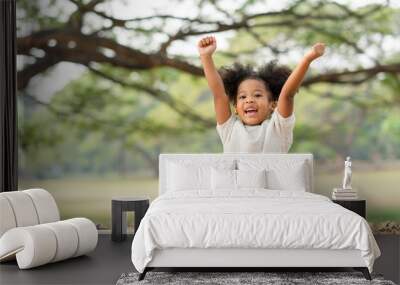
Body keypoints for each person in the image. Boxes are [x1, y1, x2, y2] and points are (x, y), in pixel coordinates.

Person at [198, 35, 325, 153]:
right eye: (243, 97)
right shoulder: (229, 130)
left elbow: (287, 95)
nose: (249, 100)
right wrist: (206, 56)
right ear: (235, 107)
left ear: (273, 104)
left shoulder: (279, 129)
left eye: (257, 95)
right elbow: (219, 95)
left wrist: (308, 59)